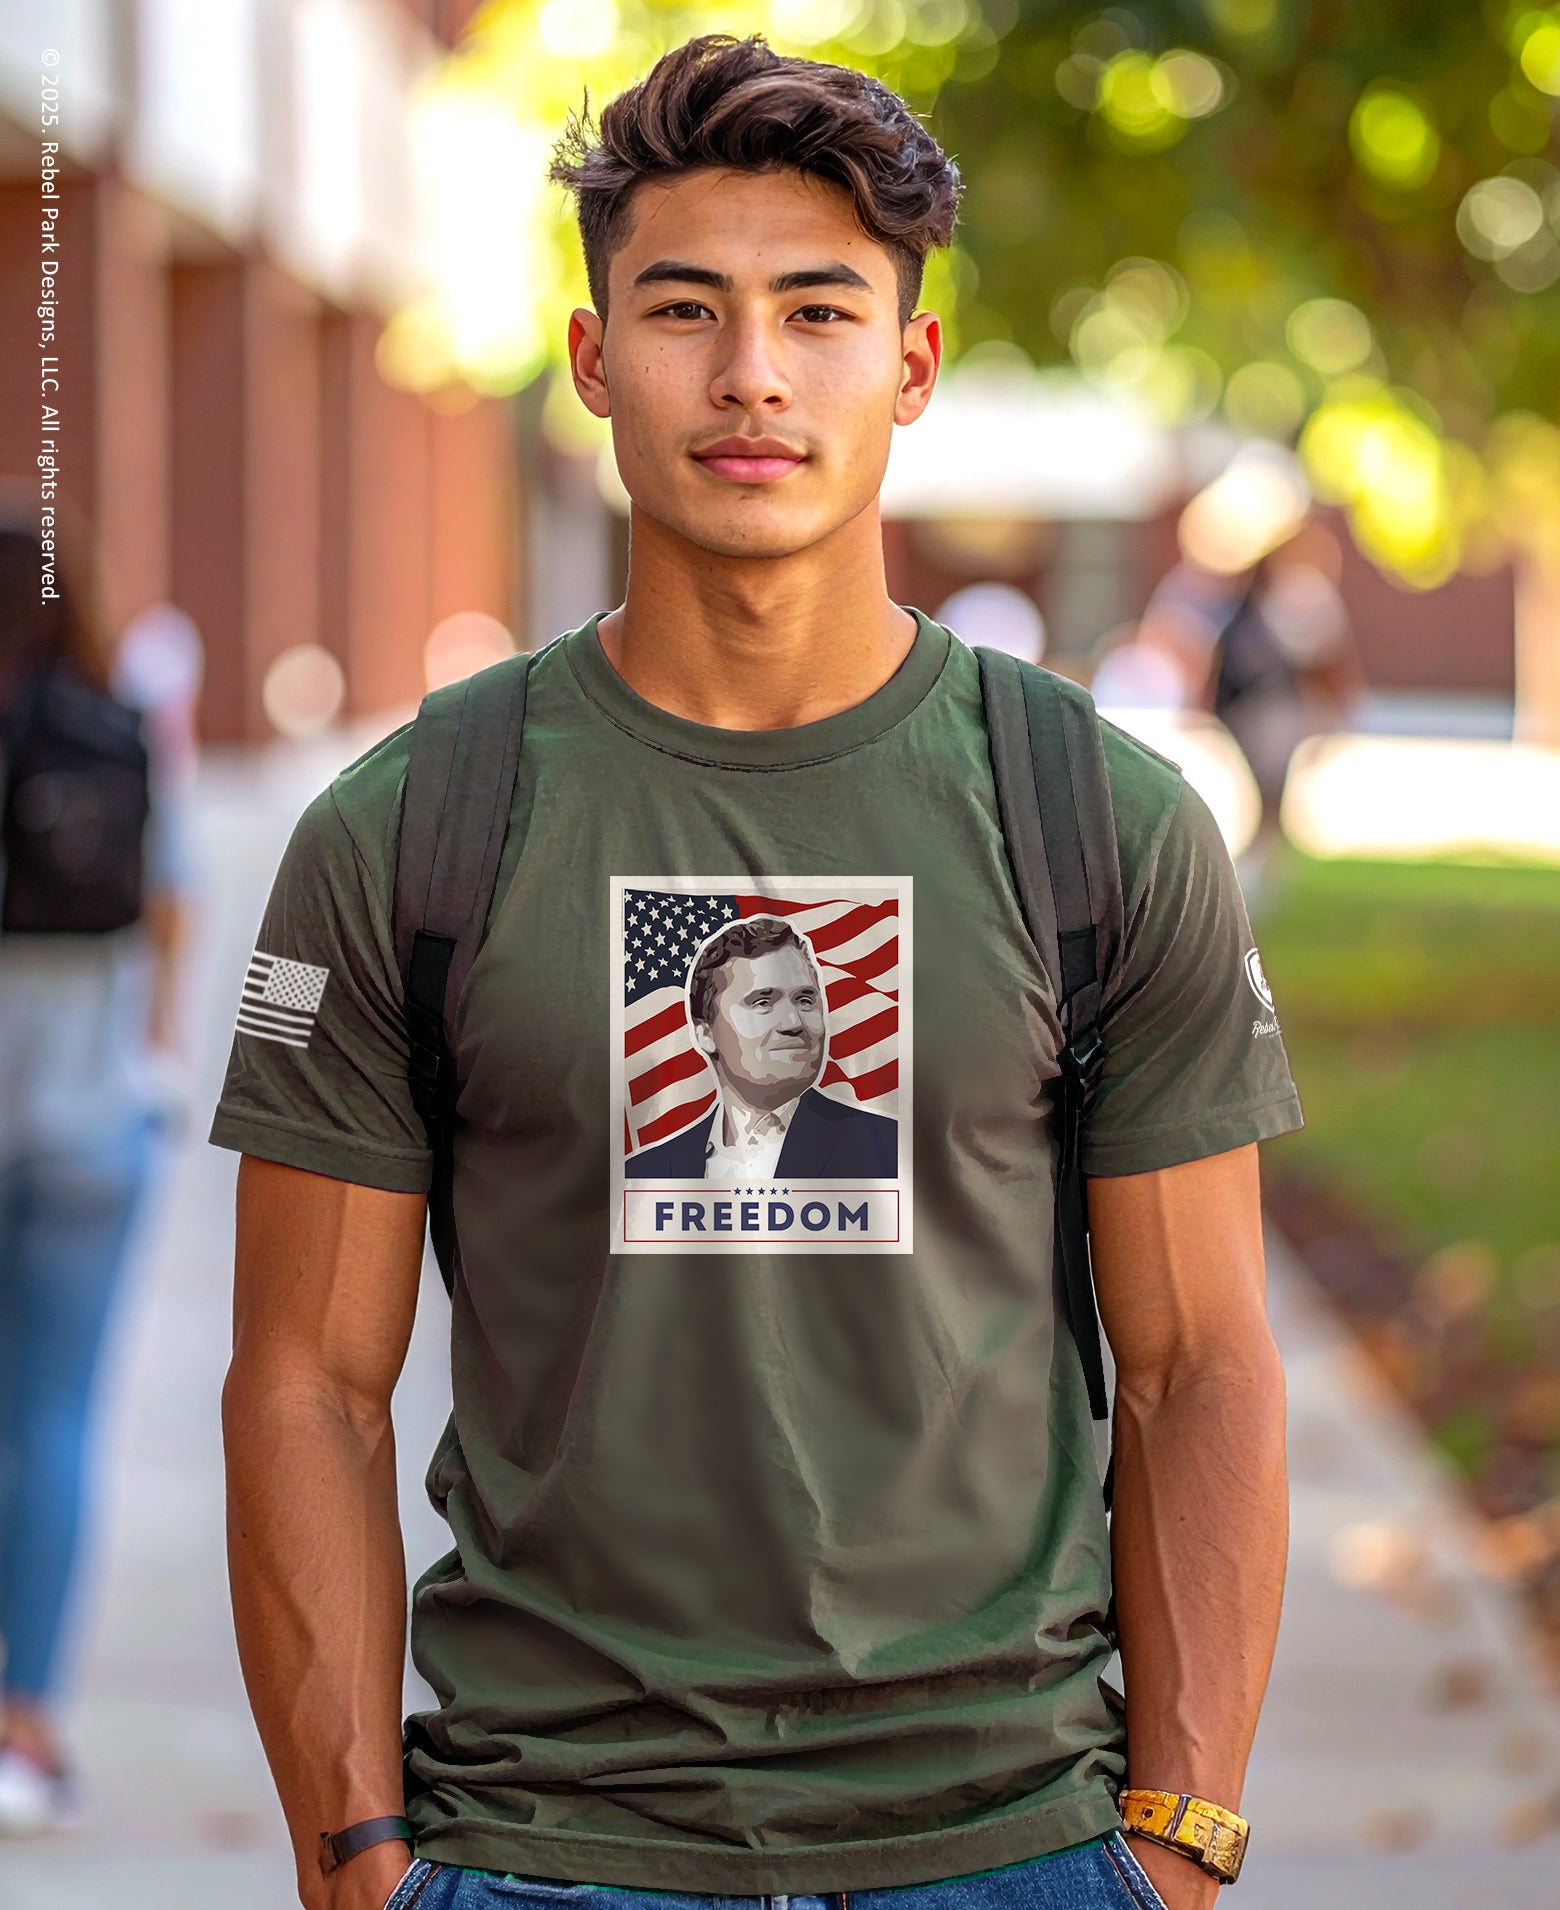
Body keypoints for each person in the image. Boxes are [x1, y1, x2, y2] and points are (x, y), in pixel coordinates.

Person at [210, 35, 1303, 1910]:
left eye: (817, 313)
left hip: (1018, 1844)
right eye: (684, 310)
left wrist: (1179, 1840)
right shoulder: (406, 831)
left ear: (913, 365)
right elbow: (304, 1378)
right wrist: (357, 1855)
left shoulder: (1094, 819)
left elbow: (1203, 1360)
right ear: (588, 362)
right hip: (544, 1846)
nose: (750, 378)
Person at [0, 509, 197, 1834]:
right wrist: (153, 1058)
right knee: (55, 1423)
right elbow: (173, 901)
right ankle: (24, 1728)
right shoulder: (122, 727)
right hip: (93, 1121)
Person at [625, 915, 896, 1181]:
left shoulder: (890, 1150)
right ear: (705, 1033)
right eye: (763, 1002)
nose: (793, 1022)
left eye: (804, 999)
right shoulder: (647, 1174)